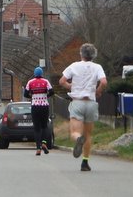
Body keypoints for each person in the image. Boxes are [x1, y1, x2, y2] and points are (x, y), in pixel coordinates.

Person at [59, 43, 107, 172]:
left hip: (78, 102)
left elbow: (62, 81)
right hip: (91, 103)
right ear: (93, 55)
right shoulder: (97, 67)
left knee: (75, 132)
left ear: (81, 54)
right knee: (88, 135)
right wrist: (98, 91)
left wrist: (71, 87)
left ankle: (78, 139)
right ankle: (85, 162)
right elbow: (103, 82)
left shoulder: (74, 66)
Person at [24, 67, 54, 156]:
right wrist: (46, 96)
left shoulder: (30, 82)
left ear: (34, 74)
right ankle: (44, 143)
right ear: (41, 74)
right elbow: (52, 92)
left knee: (37, 128)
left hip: (35, 106)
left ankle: (38, 148)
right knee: (44, 126)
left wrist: (33, 96)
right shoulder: (46, 81)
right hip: (44, 106)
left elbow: (25, 94)